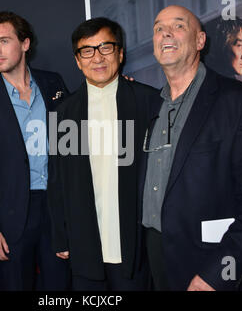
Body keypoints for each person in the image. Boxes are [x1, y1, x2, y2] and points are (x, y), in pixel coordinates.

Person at [140, 5, 242, 291]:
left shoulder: (240, 102)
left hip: (210, 268)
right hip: (157, 261)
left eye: (178, 26)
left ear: (200, 41)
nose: (165, 32)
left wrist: (218, 274)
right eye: (157, 28)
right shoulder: (150, 105)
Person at [48, 17, 159, 291]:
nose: (97, 57)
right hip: (85, 240)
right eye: (87, 50)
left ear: (120, 53)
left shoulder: (149, 101)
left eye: (105, 48)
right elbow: (57, 180)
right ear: (77, 60)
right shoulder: (64, 113)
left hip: (135, 242)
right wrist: (60, 236)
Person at [0, 11, 70, 291]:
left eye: (3, 41)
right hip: (10, 215)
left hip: (54, 209)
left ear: (25, 44)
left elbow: (74, 143)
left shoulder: (53, 84)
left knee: (59, 287)